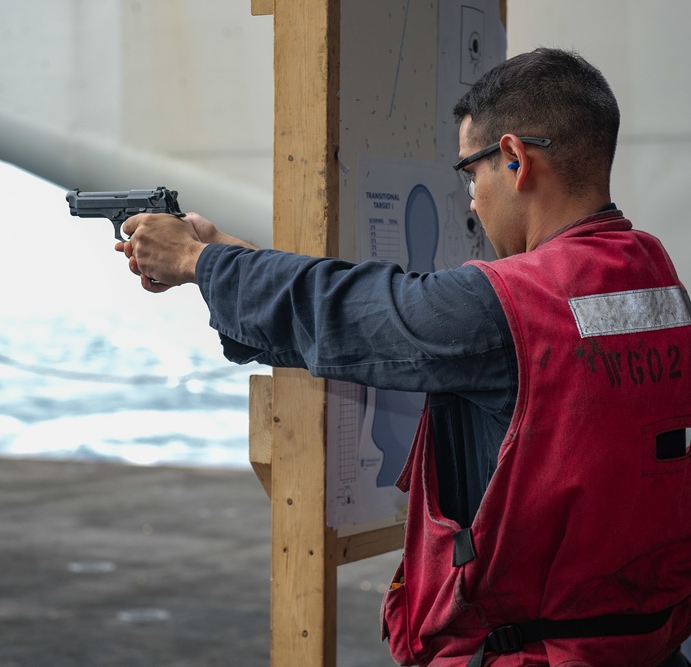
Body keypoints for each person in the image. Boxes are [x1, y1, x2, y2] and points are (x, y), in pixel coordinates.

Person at [115, 48, 691, 666]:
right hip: (647, 643)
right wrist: (227, 253)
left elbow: (354, 311)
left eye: (470, 173)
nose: (471, 199)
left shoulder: (512, 305)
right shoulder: (655, 277)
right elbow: (362, 314)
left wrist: (195, 261)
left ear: (516, 159)